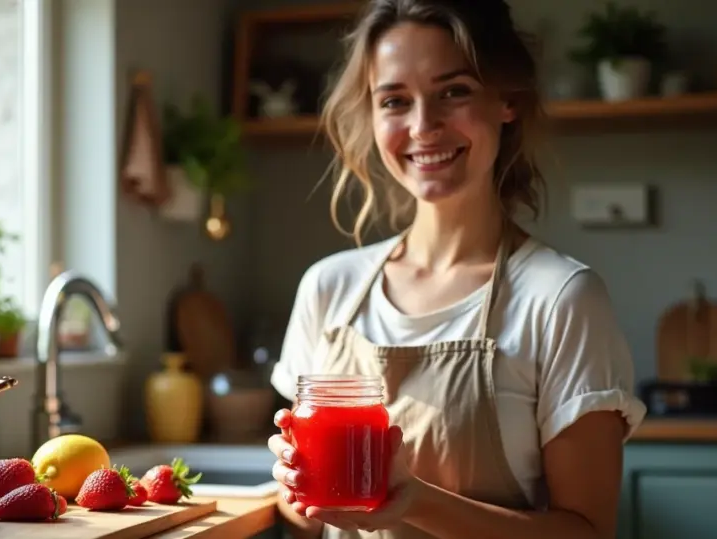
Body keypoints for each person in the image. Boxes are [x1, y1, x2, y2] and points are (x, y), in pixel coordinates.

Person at [266, 1, 648, 538]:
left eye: (454, 91)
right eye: (395, 100)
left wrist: (413, 501)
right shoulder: (329, 288)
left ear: (507, 100)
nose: (424, 126)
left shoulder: (561, 298)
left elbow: (587, 532)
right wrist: (294, 485)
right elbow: (302, 514)